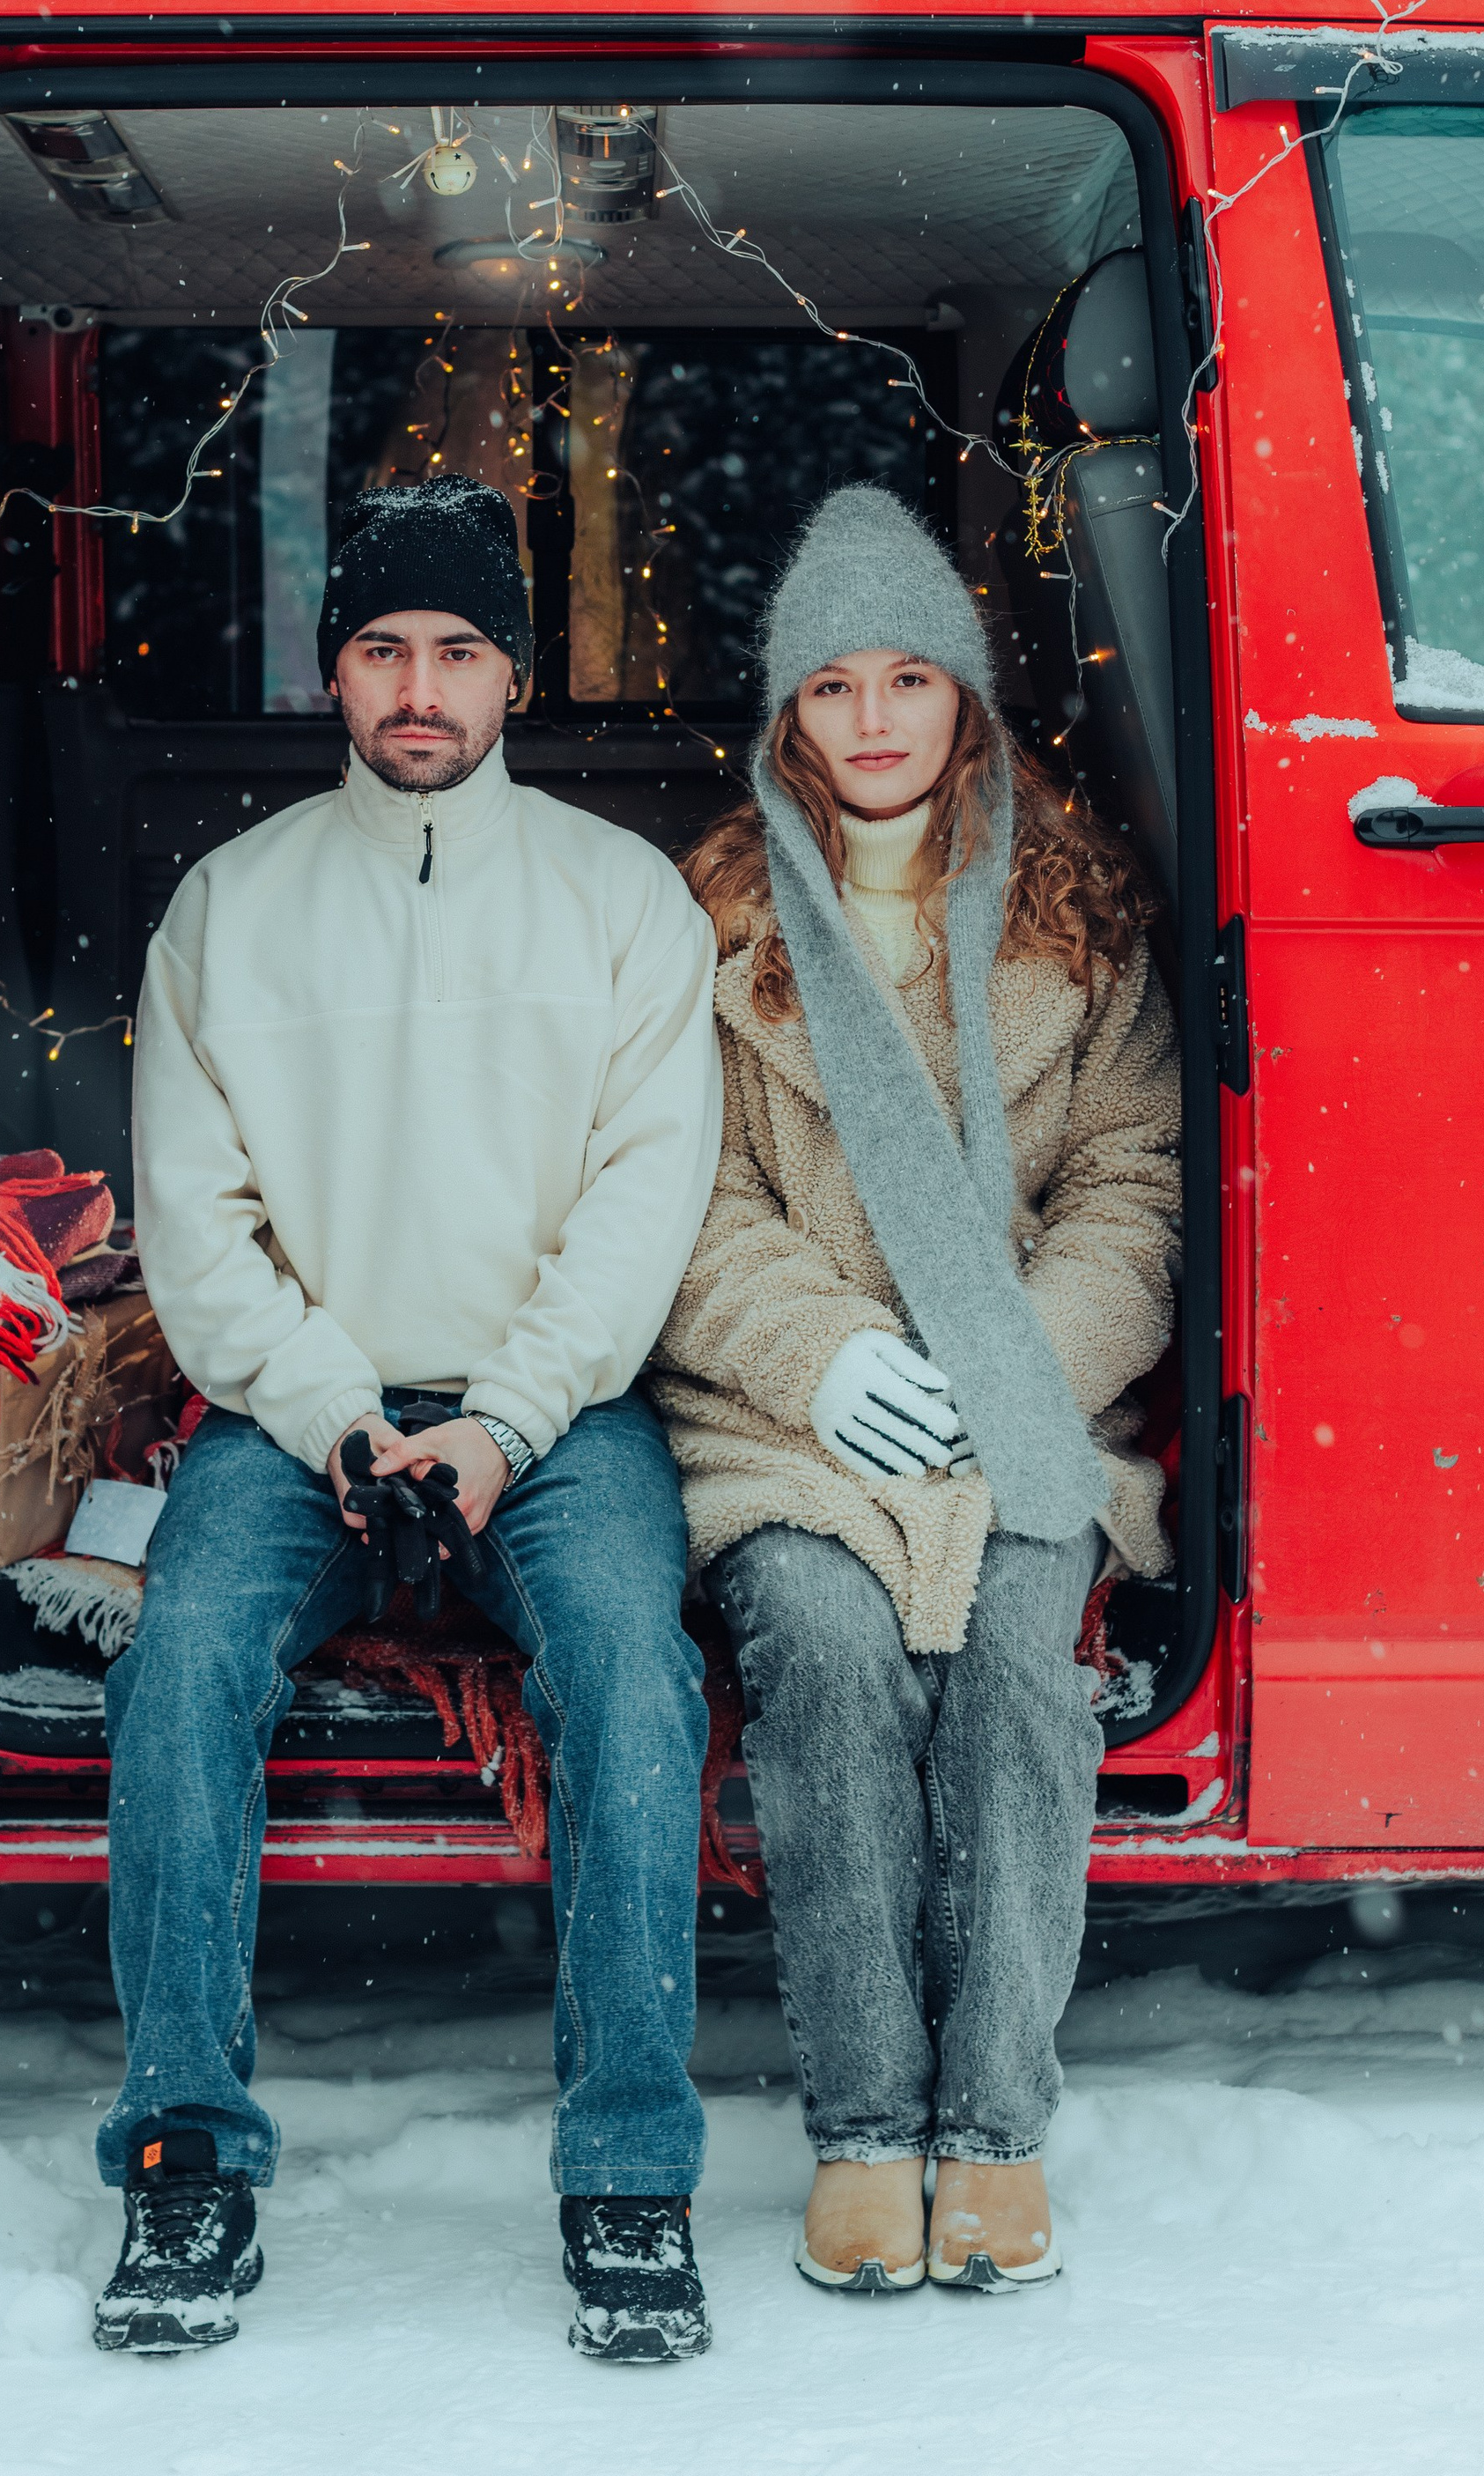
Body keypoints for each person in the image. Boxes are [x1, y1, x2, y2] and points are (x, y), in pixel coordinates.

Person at [94, 472, 722, 2365]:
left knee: (633, 1675)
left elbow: (644, 1209)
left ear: (515, 676)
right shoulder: (233, 908)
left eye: (457, 650)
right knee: (181, 1660)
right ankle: (183, 2155)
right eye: (382, 649)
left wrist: (503, 1424)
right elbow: (196, 1227)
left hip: (558, 1416)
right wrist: (338, 1416)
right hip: (301, 1420)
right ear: (335, 672)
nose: (420, 687)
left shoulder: (622, 902)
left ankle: (629, 2172)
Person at [654, 484, 1179, 2300]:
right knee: (817, 1648)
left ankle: (996, 2126)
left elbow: (1131, 1186)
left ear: (963, 695)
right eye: (829, 687)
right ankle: (869, 2126)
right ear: (784, 716)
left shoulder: (1077, 914)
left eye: (906, 680)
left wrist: (1015, 1357)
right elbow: (681, 1197)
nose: (871, 721)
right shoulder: (706, 925)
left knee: (1026, 1665)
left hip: (1027, 1401)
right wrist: (822, 1353)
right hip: (785, 1419)